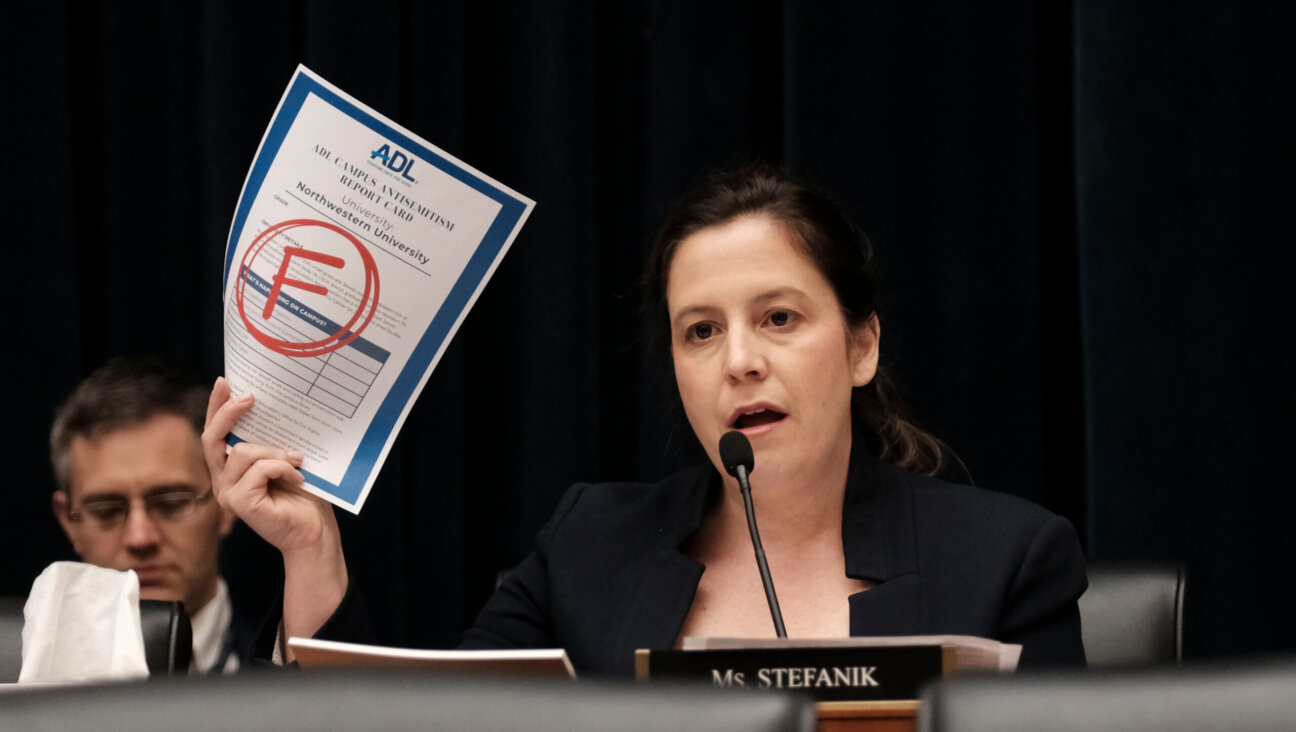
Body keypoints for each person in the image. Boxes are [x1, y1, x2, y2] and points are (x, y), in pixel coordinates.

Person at [203, 164, 1087, 675]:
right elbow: (428, 726)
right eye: (700, 331)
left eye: (779, 318)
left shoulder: (1004, 561)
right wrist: (310, 556)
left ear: (861, 348)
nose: (740, 358)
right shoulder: (591, 545)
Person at [50, 357, 253, 673]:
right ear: (68, 520)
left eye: (171, 503)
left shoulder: (298, 668)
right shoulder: (23, 683)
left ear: (225, 504)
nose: (140, 537)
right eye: (106, 511)